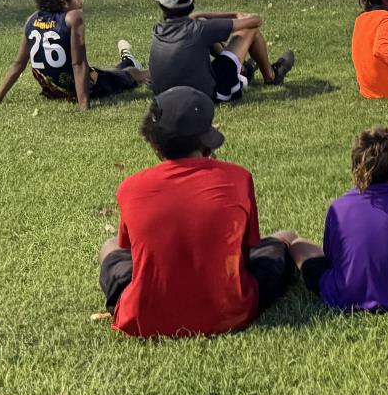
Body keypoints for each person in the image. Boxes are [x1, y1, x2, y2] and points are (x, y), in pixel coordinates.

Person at [96, 89, 294, 337]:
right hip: (229, 312)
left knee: (110, 246)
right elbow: (245, 252)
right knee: (283, 239)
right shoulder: (238, 177)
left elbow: (130, 253)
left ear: (155, 146)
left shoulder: (130, 188)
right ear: (206, 143)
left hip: (144, 318)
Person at [282, 126, 388, 311]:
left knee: (297, 245)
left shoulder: (338, 207)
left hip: (344, 293)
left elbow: (332, 257)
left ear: (355, 167)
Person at [0, 0, 147, 111]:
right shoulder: (74, 17)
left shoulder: (33, 18)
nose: (82, 2)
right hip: (78, 86)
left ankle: (127, 58)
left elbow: (18, 65)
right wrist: (83, 107)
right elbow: (78, 64)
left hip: (53, 90)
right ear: (63, 2)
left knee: (109, 72)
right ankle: (134, 61)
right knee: (133, 74)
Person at [148, 0, 294, 101]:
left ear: (161, 6)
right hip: (208, 96)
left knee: (207, 39)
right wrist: (236, 14)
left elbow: (197, 20)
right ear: (192, 4)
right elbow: (255, 21)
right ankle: (271, 76)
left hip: (164, 96)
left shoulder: (158, 29)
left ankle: (243, 69)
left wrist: (199, 15)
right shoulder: (201, 29)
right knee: (250, 31)